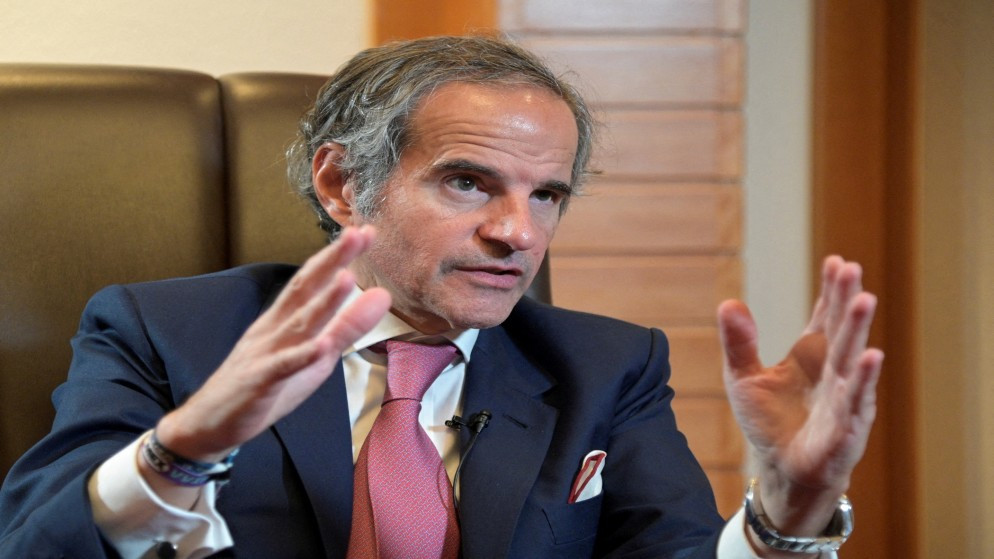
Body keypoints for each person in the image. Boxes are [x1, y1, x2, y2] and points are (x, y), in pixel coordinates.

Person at [0, 35, 881, 559]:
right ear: (344, 184)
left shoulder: (607, 366)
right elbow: (37, 543)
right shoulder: (162, 331)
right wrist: (183, 449)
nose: (519, 232)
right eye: (468, 181)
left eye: (548, 194)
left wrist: (786, 511)